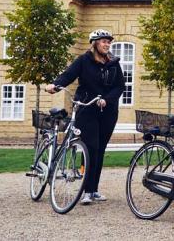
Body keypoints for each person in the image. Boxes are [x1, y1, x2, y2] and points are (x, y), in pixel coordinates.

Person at [45, 29, 125, 205]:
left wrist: (107, 99)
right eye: (103, 41)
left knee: (101, 150)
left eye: (108, 42)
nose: (107, 44)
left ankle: (94, 189)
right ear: (94, 43)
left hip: (108, 111)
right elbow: (68, 75)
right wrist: (56, 84)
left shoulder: (113, 63)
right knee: (91, 148)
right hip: (87, 108)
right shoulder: (83, 61)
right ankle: (86, 191)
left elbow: (120, 86)